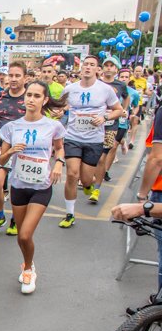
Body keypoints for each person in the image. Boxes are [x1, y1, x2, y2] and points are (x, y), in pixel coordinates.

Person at [0, 81, 67, 294]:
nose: (31, 99)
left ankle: (28, 269)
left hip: (41, 186)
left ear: (45, 100)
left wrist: (58, 163)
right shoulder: (11, 127)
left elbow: (60, 149)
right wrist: (10, 153)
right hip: (19, 185)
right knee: (20, 235)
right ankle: (28, 262)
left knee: (26, 235)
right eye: (29, 95)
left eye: (37, 96)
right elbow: (1, 161)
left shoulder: (53, 126)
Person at [58, 55, 123, 228]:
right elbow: (62, 106)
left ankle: (89, 185)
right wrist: (60, 112)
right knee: (72, 174)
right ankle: (70, 214)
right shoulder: (70, 88)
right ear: (81, 68)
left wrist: (105, 117)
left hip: (94, 139)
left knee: (86, 179)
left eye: (92, 65)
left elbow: (119, 110)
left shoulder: (105, 89)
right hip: (72, 137)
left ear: (97, 70)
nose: (87, 67)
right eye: (85, 64)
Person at [0, 62, 28, 236]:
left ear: (25, 78)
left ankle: (16, 219)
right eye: (10, 75)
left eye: (17, 75)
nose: (13, 79)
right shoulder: (0, 96)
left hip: (23, 149)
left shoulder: (30, 97)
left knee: (17, 187)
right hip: (1, 146)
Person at [92, 57, 130, 198]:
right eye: (106, 65)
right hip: (94, 124)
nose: (108, 68)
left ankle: (96, 189)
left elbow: (126, 97)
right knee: (91, 155)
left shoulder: (120, 85)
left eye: (111, 65)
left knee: (102, 156)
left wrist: (123, 110)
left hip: (111, 125)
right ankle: (88, 179)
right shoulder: (96, 83)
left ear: (116, 69)